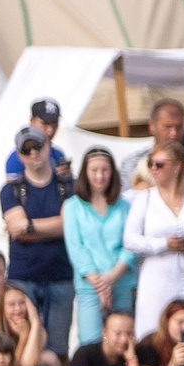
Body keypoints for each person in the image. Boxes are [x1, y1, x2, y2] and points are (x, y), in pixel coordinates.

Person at [125, 139, 184, 333]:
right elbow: (130, 239)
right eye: (151, 163)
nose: (153, 169)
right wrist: (163, 243)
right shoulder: (145, 199)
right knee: (154, 331)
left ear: (176, 167)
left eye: (159, 164)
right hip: (156, 279)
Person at [0, 126, 76, 354]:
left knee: (58, 348)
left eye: (37, 146)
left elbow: (69, 226)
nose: (33, 152)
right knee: (22, 344)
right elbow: (16, 228)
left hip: (61, 276)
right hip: (24, 277)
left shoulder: (69, 187)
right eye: (26, 148)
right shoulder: (11, 190)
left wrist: (30, 226)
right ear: (20, 155)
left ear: (48, 146)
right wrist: (55, 225)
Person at [64, 147, 136, 350]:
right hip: (89, 287)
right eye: (94, 170)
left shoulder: (124, 206)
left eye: (105, 170)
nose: (99, 176)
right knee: (91, 344)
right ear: (85, 173)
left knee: (122, 344)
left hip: (121, 282)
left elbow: (130, 245)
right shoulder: (73, 206)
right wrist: (99, 283)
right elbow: (75, 247)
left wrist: (111, 278)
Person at [122, 98, 184, 213]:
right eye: (168, 127)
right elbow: (123, 208)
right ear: (152, 126)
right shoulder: (132, 163)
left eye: (179, 127)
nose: (174, 133)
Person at [1, 98, 68, 176]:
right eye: (45, 124)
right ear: (32, 121)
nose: (50, 130)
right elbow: (12, 186)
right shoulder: (18, 158)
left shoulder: (58, 154)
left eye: (54, 123)